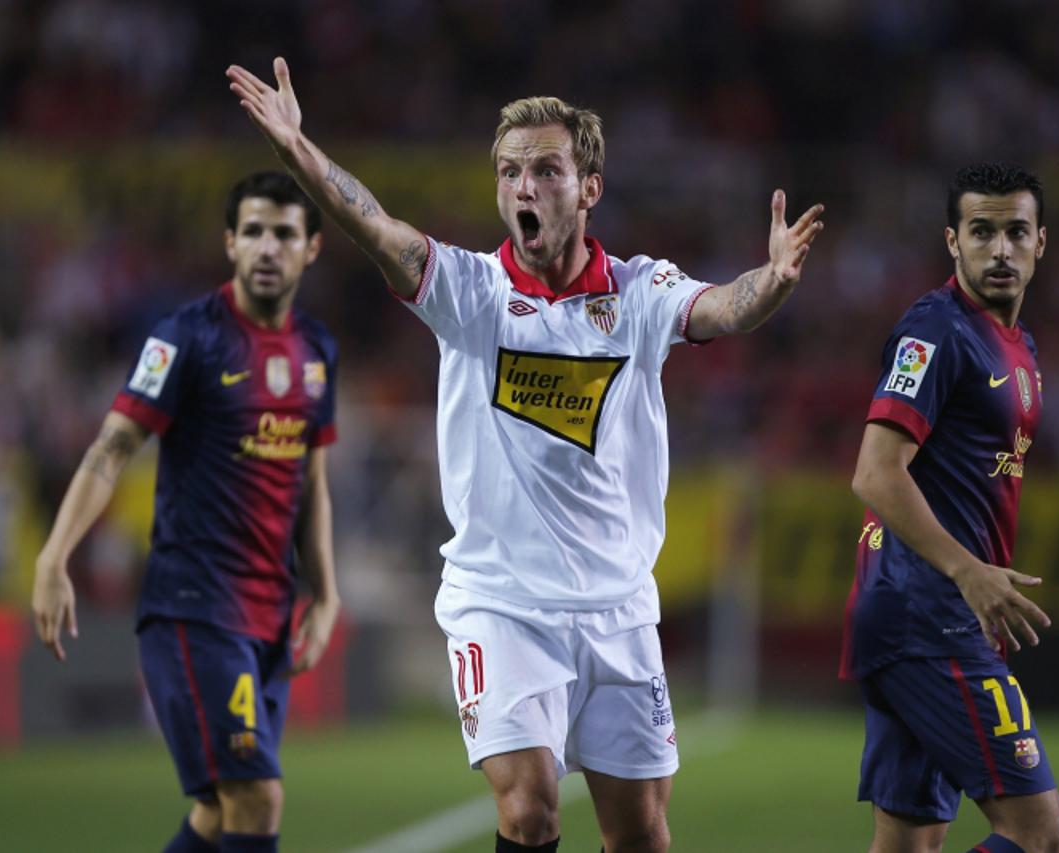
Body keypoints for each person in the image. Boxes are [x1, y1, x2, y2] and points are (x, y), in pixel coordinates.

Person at [226, 57, 823, 853]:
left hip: (618, 605)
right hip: (500, 602)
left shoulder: (639, 293)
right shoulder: (469, 294)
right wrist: (301, 152)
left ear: (590, 188)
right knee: (529, 807)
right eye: (510, 172)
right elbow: (376, 227)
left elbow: (719, 306)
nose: (524, 187)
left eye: (546, 169)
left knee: (641, 831)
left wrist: (773, 281)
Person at [32, 171, 341, 853]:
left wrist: (325, 588)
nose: (267, 246)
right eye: (253, 230)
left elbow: (310, 479)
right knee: (256, 795)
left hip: (271, 615)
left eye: (284, 233)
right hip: (195, 607)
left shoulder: (316, 351)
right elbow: (112, 448)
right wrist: (54, 555)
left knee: (216, 810)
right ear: (230, 242)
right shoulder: (186, 338)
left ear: (311, 247)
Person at [841, 163, 1059, 853]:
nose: (1000, 249)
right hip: (928, 615)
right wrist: (968, 571)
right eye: (982, 231)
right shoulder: (936, 329)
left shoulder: (1018, 347)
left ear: (1040, 243)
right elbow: (876, 474)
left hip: (923, 613)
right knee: (1039, 833)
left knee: (909, 842)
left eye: (1015, 232)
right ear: (953, 240)